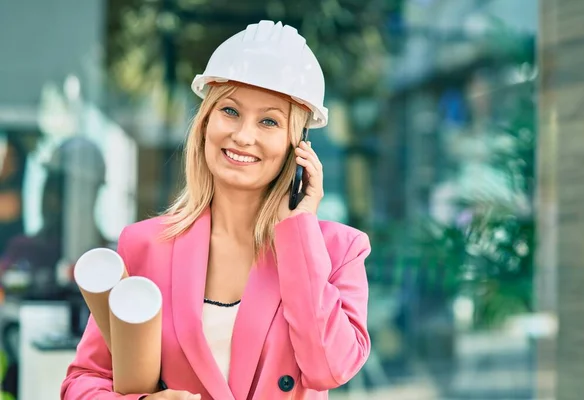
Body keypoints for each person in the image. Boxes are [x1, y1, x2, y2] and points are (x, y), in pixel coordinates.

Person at [61, 20, 371, 400]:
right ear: (205, 121)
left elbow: (329, 368)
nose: (243, 135)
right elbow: (82, 382)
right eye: (230, 111)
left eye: (269, 121)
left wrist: (299, 231)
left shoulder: (339, 251)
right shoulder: (145, 245)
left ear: (299, 146)